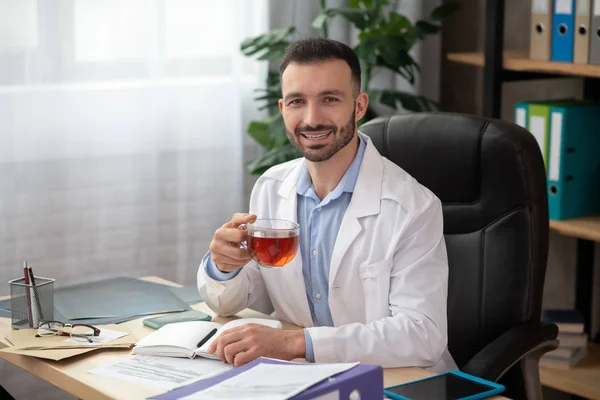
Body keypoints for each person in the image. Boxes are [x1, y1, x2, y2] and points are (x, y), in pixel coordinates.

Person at [197, 36, 457, 372]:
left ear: (359, 106)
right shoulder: (271, 188)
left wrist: (296, 343)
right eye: (297, 102)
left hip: (398, 380)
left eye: (329, 99)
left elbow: (422, 337)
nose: (311, 119)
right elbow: (236, 301)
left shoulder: (413, 206)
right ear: (282, 109)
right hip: (304, 377)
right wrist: (224, 266)